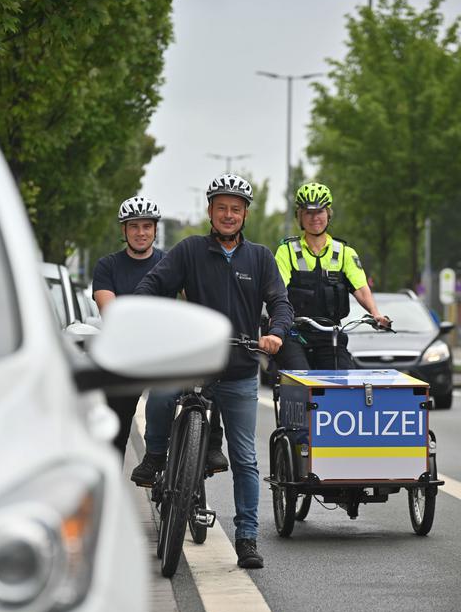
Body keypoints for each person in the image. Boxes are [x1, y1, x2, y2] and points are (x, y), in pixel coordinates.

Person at [132, 174, 293, 569]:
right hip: (194, 360)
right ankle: (155, 456)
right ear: (210, 211)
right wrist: (139, 313)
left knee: (245, 458)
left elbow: (281, 303)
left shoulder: (260, 257)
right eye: (221, 207)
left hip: (239, 368)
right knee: (163, 393)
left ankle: (247, 538)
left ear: (245, 215)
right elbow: (153, 284)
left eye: (236, 209)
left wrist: (274, 333)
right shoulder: (189, 251)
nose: (228, 214)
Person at [92, 194, 229, 467]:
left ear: (155, 229)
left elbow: (195, 303)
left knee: (205, 387)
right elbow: (111, 312)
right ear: (124, 230)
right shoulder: (107, 266)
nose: (141, 233)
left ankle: (203, 454)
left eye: (146, 226)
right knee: (114, 435)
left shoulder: (172, 261)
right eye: (134, 226)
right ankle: (112, 494)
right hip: (126, 355)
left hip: (167, 354)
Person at [274, 181, 391, 370]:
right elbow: (278, 289)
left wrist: (376, 314)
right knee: (300, 380)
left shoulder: (345, 252)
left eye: (319, 212)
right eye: (308, 213)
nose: (314, 218)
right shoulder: (286, 251)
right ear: (300, 217)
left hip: (330, 334)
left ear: (328, 214)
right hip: (295, 334)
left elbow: (361, 288)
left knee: (346, 384)